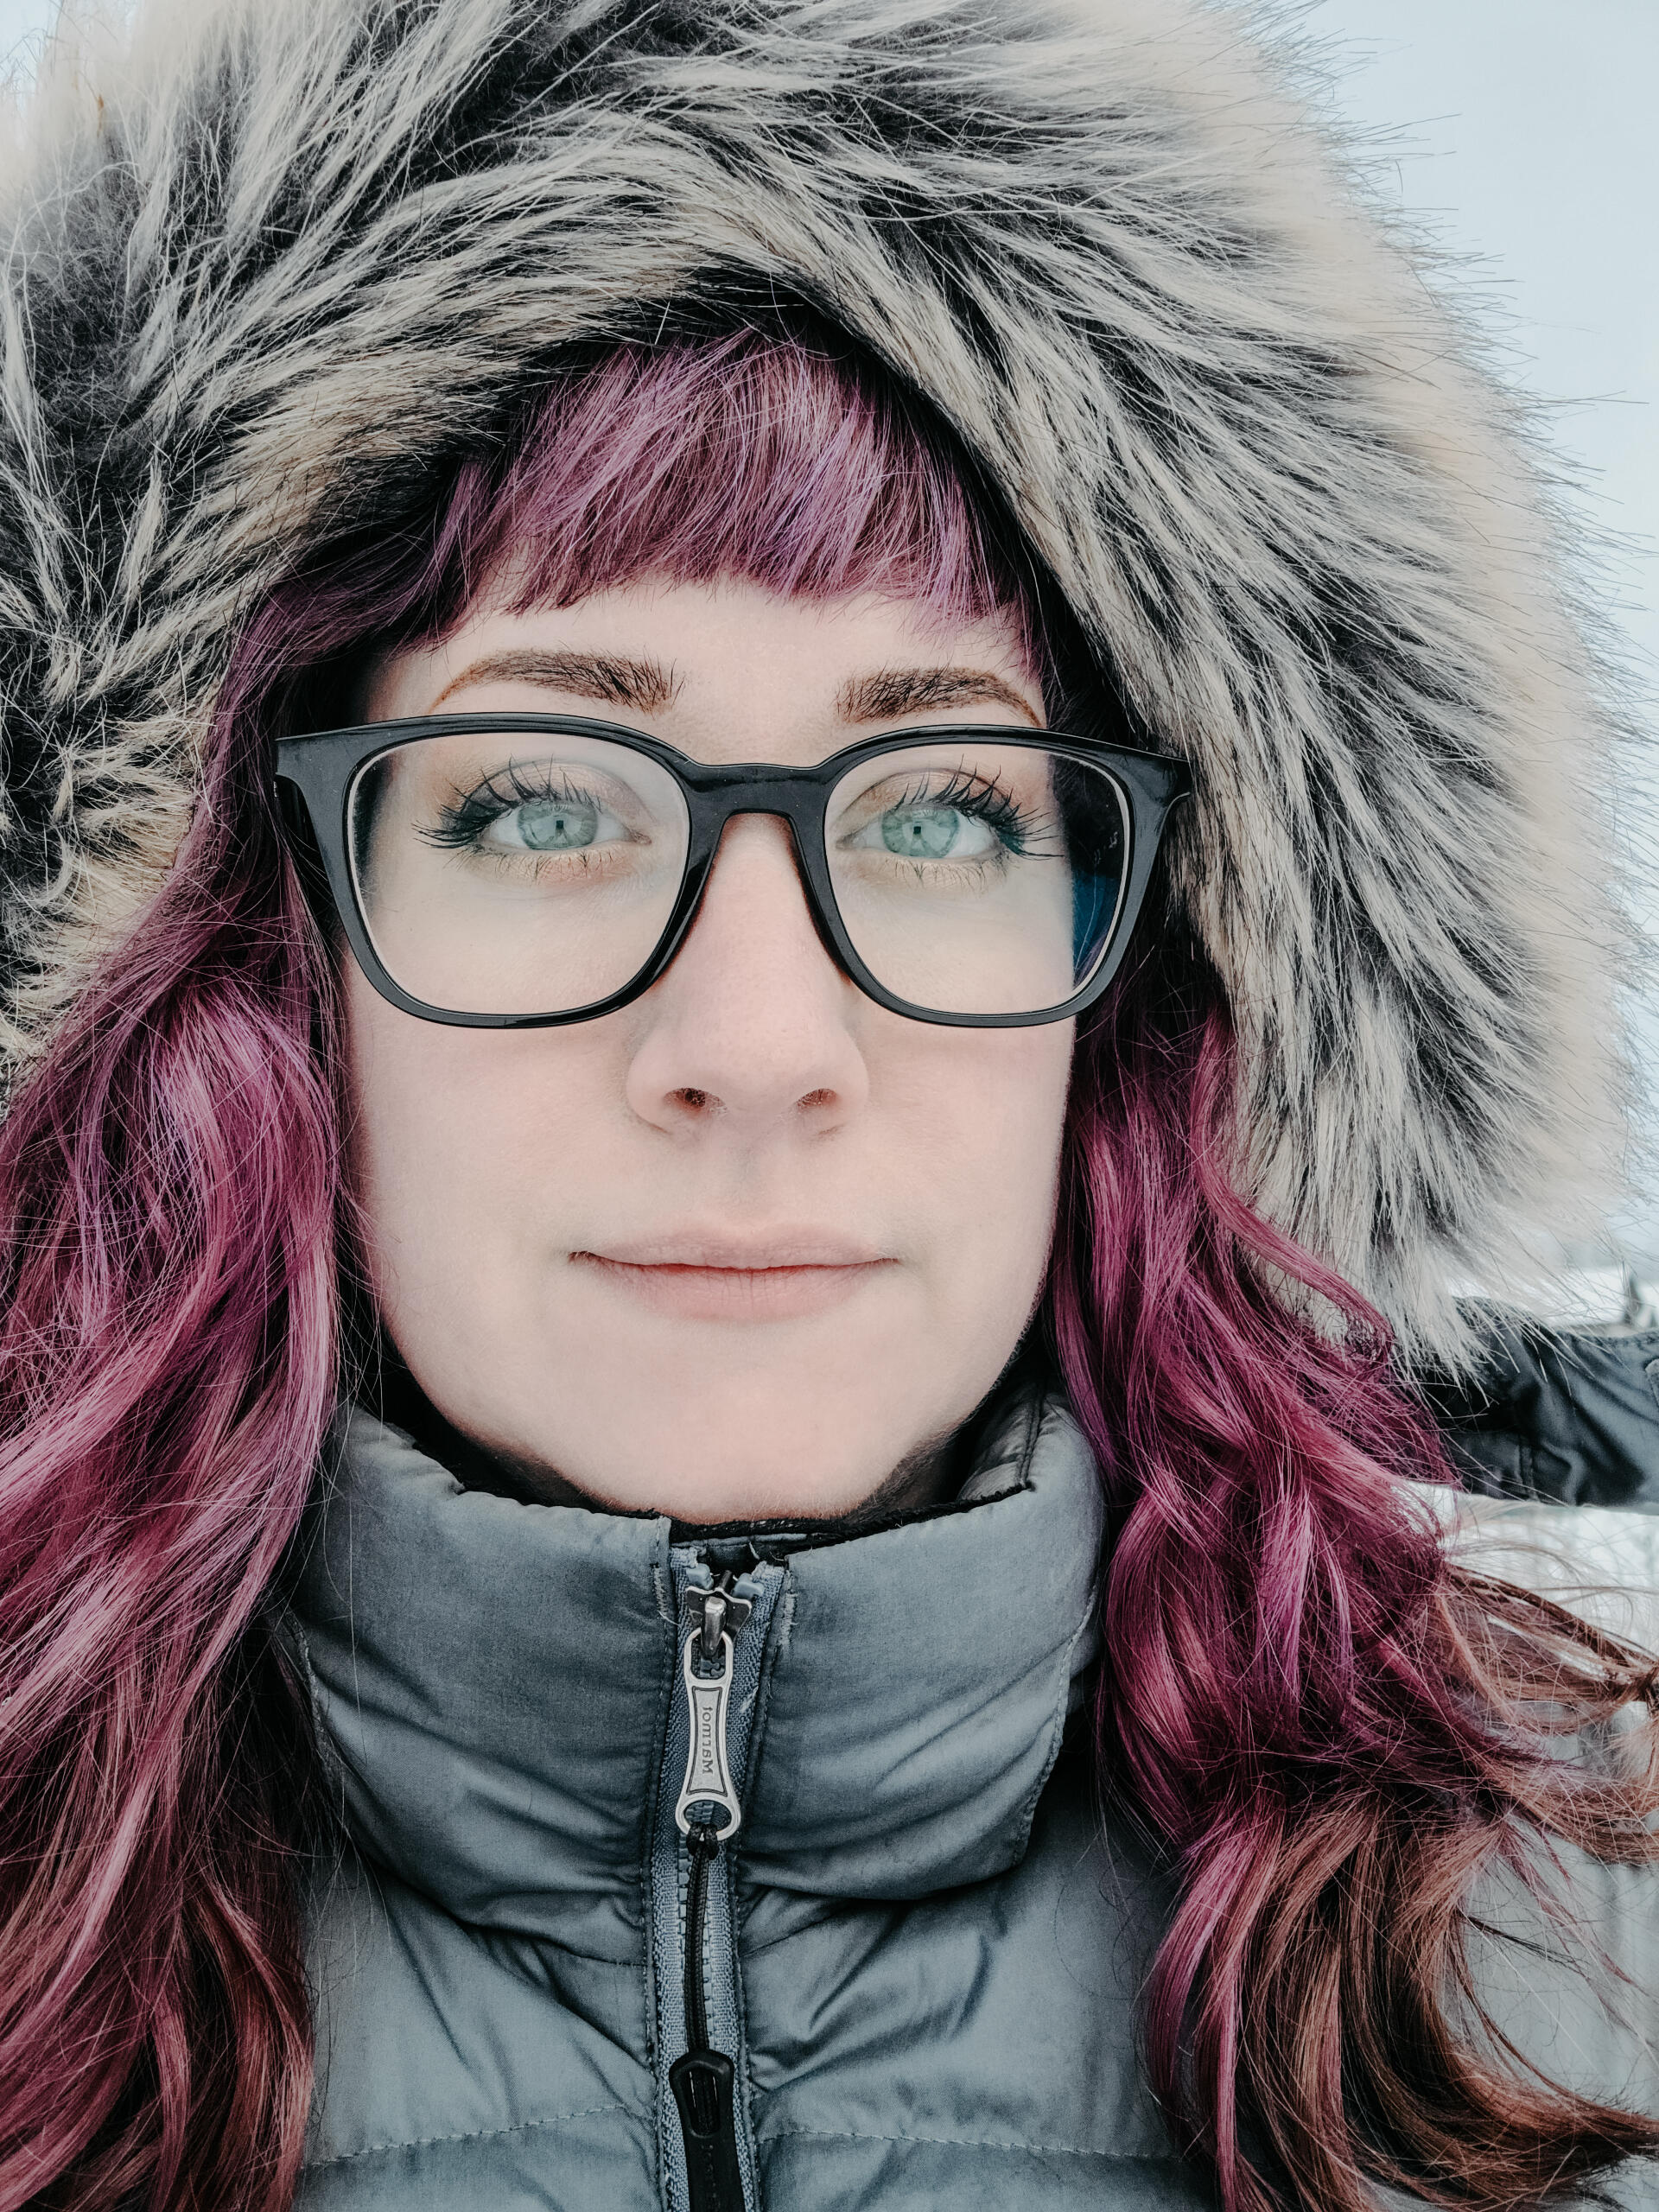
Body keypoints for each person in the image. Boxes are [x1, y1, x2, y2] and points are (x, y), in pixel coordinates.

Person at [1, 3, 1656, 2209]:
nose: (762, 1035)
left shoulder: (1585, 1934)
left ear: (1158, 983)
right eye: (532, 801)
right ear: (261, 947)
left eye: (950, 813)